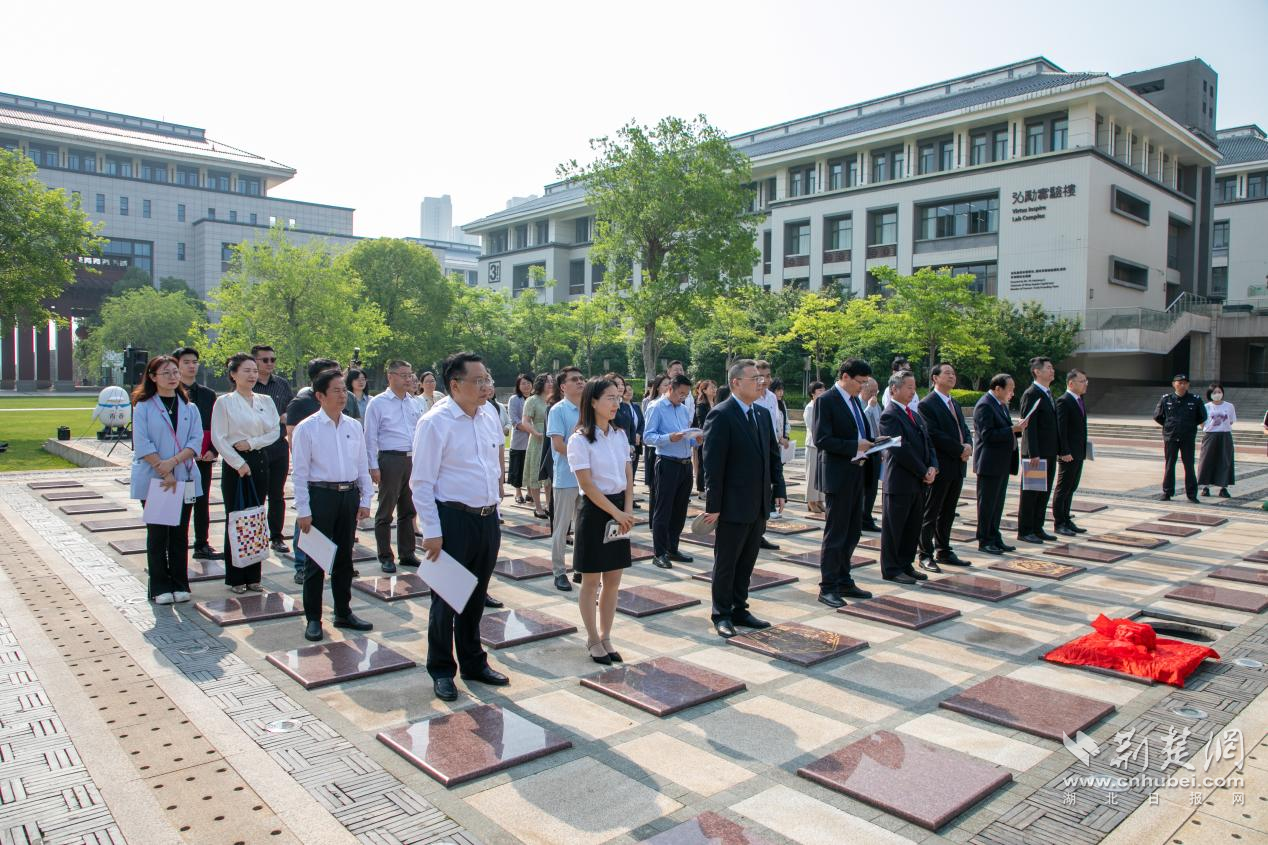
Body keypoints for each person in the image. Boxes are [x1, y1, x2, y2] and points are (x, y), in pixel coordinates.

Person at [410, 352, 508, 702]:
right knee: (447, 600)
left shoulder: (488, 415)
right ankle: (441, 669)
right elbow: (421, 482)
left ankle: (473, 662)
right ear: (455, 385)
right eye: (477, 380)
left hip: (486, 517)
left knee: (476, 596)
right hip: (452, 520)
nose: (485, 386)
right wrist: (431, 531)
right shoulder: (435, 422)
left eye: (487, 379)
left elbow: (490, 465)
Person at [701, 359, 786, 639]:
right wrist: (713, 507)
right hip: (732, 504)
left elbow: (772, 456)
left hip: (758, 502)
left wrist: (779, 489)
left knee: (747, 560)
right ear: (736, 383)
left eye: (762, 378)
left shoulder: (761, 414)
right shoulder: (721, 415)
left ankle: (740, 608)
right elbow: (713, 466)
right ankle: (722, 614)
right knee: (727, 562)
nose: (762, 383)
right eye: (755, 379)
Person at [291, 369, 375, 642]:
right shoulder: (307, 428)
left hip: (348, 496)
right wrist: (303, 510)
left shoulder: (353, 426)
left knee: (344, 560)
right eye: (336, 390)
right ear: (320, 395)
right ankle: (314, 618)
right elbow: (299, 473)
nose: (343, 395)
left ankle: (343, 612)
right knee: (316, 561)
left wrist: (365, 499)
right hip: (321, 497)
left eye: (344, 390)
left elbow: (362, 465)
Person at [567, 377, 635, 664]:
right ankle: (593, 638)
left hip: (620, 509)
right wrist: (616, 513)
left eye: (617, 397)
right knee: (591, 580)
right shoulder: (579, 439)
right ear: (593, 401)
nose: (616, 403)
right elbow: (587, 484)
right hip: (595, 512)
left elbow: (628, 473)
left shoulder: (619, 435)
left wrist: (626, 510)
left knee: (613, 579)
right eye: (610, 398)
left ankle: (607, 636)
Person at [131, 356, 202, 604]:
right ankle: (160, 586)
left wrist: (172, 463)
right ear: (152, 377)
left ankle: (180, 583)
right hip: (157, 478)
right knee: (159, 534)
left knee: (180, 534)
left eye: (175, 372)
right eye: (166, 373)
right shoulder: (143, 407)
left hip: (184, 475)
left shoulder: (189, 408)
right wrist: (164, 470)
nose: (172, 377)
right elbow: (142, 443)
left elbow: (195, 441)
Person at [211, 353, 280, 593]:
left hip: (259, 458)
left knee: (256, 517)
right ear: (233, 374)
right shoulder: (225, 402)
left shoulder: (265, 400)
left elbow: (274, 431)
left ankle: (254, 575)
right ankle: (236, 577)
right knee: (237, 517)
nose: (252, 375)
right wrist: (238, 462)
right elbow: (218, 437)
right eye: (246, 371)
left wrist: (252, 443)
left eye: (254, 371)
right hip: (236, 464)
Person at [813, 360, 877, 607]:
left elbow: (858, 433)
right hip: (838, 475)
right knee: (836, 533)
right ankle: (828, 586)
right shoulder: (826, 400)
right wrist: (854, 446)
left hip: (857, 472)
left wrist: (874, 441)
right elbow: (822, 439)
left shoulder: (854, 401)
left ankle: (843, 579)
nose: (863, 387)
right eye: (860, 382)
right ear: (846, 377)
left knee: (852, 531)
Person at [283, 358, 343, 583]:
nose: (339, 379)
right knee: (306, 523)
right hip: (314, 477)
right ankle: (302, 564)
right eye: (332, 373)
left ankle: (334, 563)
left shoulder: (342, 399)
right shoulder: (301, 403)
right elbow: (292, 436)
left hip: (338, 476)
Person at [363, 360, 423, 573]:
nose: (408, 379)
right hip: (390, 459)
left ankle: (407, 553)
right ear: (390, 376)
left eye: (410, 375)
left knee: (408, 510)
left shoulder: (414, 402)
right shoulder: (378, 403)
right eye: (403, 375)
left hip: (412, 460)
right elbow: (370, 437)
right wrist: (373, 466)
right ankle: (385, 555)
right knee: (386, 511)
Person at [879, 371, 938, 584]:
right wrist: (923, 470)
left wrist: (933, 466)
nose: (913, 392)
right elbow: (900, 449)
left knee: (912, 526)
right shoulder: (890, 415)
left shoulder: (914, 414)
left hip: (918, 481)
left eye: (914, 387)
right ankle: (891, 568)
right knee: (895, 528)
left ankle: (905, 564)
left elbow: (928, 443)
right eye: (909, 387)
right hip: (900, 482)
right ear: (894, 389)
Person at [917, 363, 973, 572]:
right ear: (935, 378)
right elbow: (933, 434)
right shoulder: (927, 404)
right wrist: (959, 449)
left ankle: (944, 550)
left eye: (953, 373)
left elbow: (964, 428)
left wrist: (968, 445)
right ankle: (925, 553)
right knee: (931, 511)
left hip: (957, 465)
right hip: (940, 465)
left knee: (948, 511)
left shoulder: (953, 402)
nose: (952, 376)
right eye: (947, 373)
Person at [644, 374, 701, 570]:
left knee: (680, 509)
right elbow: (648, 437)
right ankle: (659, 552)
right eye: (680, 393)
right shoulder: (656, 407)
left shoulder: (684, 410)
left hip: (685, 464)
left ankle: (672, 548)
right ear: (670, 389)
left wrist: (696, 439)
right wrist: (669, 438)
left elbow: (686, 436)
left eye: (686, 394)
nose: (683, 397)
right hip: (667, 463)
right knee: (663, 509)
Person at [173, 347, 222, 561]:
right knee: (179, 503)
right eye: (186, 362)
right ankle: (175, 545)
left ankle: (201, 543)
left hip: (202, 459)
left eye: (194, 362)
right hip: (176, 461)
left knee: (201, 501)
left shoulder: (208, 394)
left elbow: (215, 425)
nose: (192, 366)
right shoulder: (170, 393)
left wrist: (213, 450)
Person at [973, 374, 1027, 555]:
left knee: (997, 504)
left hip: (1001, 462)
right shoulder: (985, 405)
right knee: (987, 505)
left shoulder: (1000, 405)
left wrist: (1017, 429)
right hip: (989, 463)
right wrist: (1012, 429)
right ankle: (985, 540)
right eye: (1010, 389)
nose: (1012, 393)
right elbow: (987, 435)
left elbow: (1004, 430)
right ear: (998, 389)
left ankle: (994, 536)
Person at [1017, 357, 1066, 543]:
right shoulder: (1031, 393)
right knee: (1031, 493)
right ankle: (1025, 530)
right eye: (1048, 368)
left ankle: (1037, 528)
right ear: (1037, 372)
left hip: (1049, 452)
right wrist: (1033, 453)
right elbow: (1029, 425)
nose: (1052, 371)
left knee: (1043, 493)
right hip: (1036, 455)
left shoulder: (1047, 393)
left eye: (1052, 368)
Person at [250, 344, 294, 554]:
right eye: (265, 360)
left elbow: (291, 410)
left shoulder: (282, 384)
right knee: (257, 495)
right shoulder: (249, 385)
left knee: (277, 494)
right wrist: (274, 418)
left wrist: (286, 417)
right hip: (256, 447)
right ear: (255, 361)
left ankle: (276, 536)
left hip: (278, 446)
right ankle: (255, 537)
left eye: (272, 360)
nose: (270, 364)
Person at [546, 366, 586, 591]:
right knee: (562, 528)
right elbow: (558, 445)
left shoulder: (589, 407)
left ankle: (580, 567)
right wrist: (582, 457)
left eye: (581, 378)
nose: (580, 382)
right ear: (563, 387)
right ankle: (559, 572)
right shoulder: (558, 410)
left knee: (584, 527)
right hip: (566, 477)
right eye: (574, 379)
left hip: (587, 479)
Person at [1153, 373, 1208, 503]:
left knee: (1189, 465)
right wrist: (1169, 426)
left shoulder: (1195, 399)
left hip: (1187, 437)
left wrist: (1189, 426)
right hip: (1171, 436)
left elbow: (1202, 416)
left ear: (1188, 385)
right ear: (1174, 384)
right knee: (1169, 464)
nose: (1182, 385)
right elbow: (1158, 416)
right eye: (1179, 383)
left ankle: (1191, 494)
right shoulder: (1166, 399)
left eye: (1185, 383)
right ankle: (1167, 492)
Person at [749, 361, 785, 547]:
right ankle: (753, 533)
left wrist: (779, 437)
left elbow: (775, 421)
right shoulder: (750, 397)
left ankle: (760, 533)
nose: (765, 380)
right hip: (755, 449)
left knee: (767, 491)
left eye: (768, 376)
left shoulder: (771, 397)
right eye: (761, 376)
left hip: (770, 445)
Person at [1053, 368, 1091, 535]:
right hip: (1068, 454)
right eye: (1082, 381)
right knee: (1063, 488)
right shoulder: (1064, 401)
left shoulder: (1079, 400)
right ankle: (1059, 523)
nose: (1085, 384)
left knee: (1071, 487)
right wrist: (1064, 451)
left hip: (1078, 452)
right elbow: (1061, 429)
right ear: (1071, 383)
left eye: (1086, 381)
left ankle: (1067, 519)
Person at [1197, 382, 1236, 498]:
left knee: (1225, 461)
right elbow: (1201, 422)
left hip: (1225, 435)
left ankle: (1223, 488)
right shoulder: (1206, 406)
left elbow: (1231, 421)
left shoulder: (1229, 406)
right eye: (1214, 392)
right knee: (1206, 460)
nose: (1217, 394)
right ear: (1210, 394)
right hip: (1210, 436)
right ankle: (1205, 487)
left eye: (1219, 392)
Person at [523, 374, 553, 518]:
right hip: (537, 439)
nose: (551, 384)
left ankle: (548, 504)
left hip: (551, 438)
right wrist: (536, 433)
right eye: (548, 381)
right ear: (541, 383)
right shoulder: (532, 400)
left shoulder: (553, 400)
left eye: (552, 381)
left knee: (549, 474)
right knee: (536, 472)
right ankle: (538, 507)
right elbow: (525, 421)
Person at [642, 373, 670, 513]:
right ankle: (654, 519)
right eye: (665, 385)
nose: (668, 387)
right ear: (657, 387)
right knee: (655, 487)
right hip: (655, 449)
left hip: (668, 451)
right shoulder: (652, 404)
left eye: (670, 385)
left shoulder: (677, 405)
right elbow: (648, 434)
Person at [507, 373, 534, 504]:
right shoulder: (514, 399)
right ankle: (518, 492)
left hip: (533, 440)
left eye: (528, 383)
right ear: (518, 385)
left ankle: (530, 492)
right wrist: (531, 430)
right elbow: (514, 420)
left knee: (530, 467)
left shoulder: (535, 399)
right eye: (523, 383)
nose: (526, 386)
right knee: (518, 467)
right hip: (520, 440)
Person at [861, 377, 883, 532]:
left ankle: (867, 516)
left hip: (876, 448)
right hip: (863, 450)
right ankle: (861, 518)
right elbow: (861, 423)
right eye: (871, 391)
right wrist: (869, 407)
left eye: (876, 391)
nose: (874, 395)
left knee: (872, 487)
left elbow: (879, 424)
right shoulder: (859, 404)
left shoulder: (877, 405)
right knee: (863, 487)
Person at [803, 381, 826, 513]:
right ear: (813, 393)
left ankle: (820, 500)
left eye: (823, 390)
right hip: (813, 444)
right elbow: (812, 427)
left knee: (821, 474)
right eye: (819, 391)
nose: (822, 393)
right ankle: (811, 501)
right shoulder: (810, 408)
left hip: (822, 445)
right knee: (812, 474)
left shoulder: (822, 406)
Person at [692, 379, 717, 495]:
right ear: (704, 390)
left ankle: (710, 487)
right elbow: (702, 424)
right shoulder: (701, 405)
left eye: (715, 387)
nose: (714, 389)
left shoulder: (717, 404)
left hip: (716, 438)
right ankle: (701, 490)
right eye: (712, 387)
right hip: (705, 438)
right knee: (703, 464)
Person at [624, 382, 645, 499]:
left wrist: (638, 434)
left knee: (633, 471)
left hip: (636, 444)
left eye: (630, 390)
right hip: (626, 443)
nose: (629, 392)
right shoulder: (620, 407)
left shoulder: (636, 407)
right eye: (626, 390)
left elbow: (642, 423)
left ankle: (630, 497)